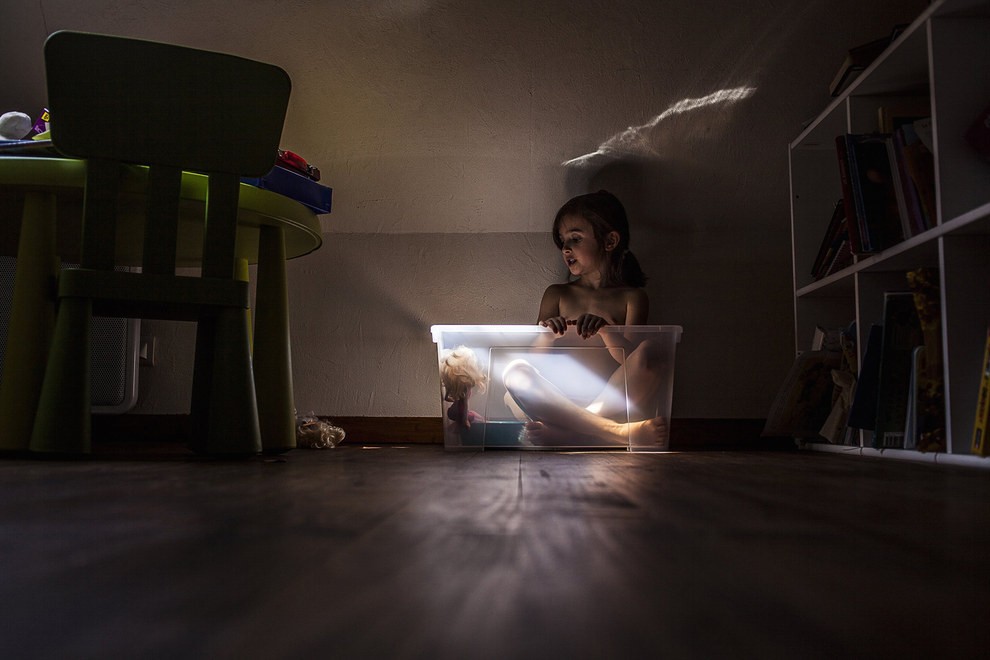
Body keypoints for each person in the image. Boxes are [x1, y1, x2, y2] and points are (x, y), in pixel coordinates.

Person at [502, 190, 668, 448]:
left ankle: (570, 433)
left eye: (575, 238)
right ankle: (614, 432)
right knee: (514, 373)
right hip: (554, 400)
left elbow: (633, 361)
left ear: (610, 241)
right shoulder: (557, 294)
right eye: (562, 241)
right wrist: (547, 336)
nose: (566, 248)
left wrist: (606, 331)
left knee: (651, 352)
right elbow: (534, 359)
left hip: (607, 402)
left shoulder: (632, 297)